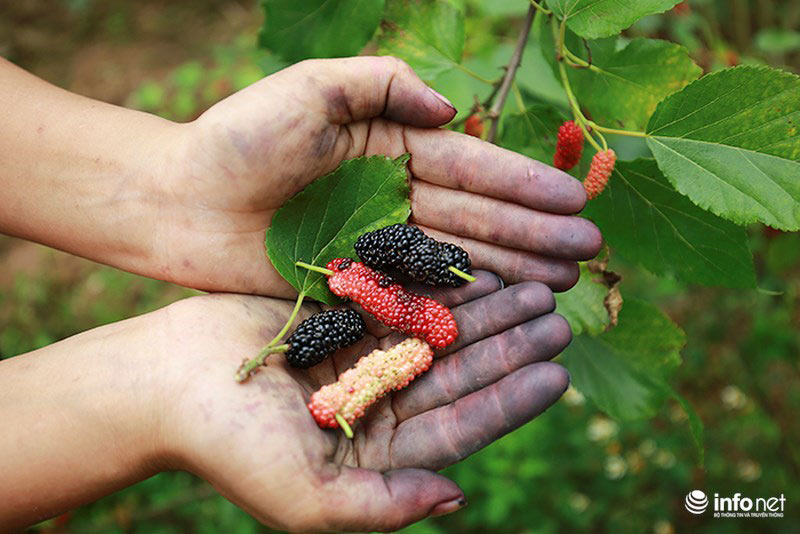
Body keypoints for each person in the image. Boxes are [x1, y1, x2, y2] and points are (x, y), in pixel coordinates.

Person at [0, 55, 602, 532]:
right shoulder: (356, 292)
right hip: (364, 307)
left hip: (378, 306)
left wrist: (172, 181)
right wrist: (163, 387)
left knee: (426, 289)